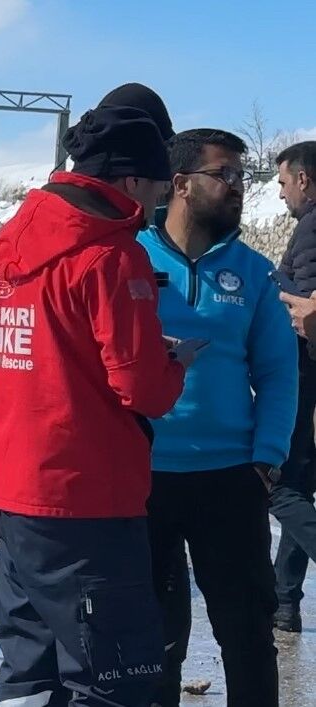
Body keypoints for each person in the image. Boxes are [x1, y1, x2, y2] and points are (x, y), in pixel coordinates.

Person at [0, 102, 191, 706]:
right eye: (153, 187)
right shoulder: (113, 255)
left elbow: (47, 348)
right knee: (114, 679)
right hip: (85, 498)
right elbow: (142, 389)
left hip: (11, 489)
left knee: (28, 669)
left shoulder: (4, 247)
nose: (154, 205)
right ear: (129, 181)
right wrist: (174, 364)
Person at [138, 129, 297, 706]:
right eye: (225, 175)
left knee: (247, 634)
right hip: (144, 477)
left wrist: (267, 459)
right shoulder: (128, 258)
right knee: (156, 639)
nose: (239, 189)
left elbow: (279, 372)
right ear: (180, 184)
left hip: (232, 478)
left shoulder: (253, 273)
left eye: (243, 178)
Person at [271, 141, 316, 632]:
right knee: (299, 485)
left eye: (284, 182)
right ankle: (284, 602)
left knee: (280, 489)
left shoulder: (313, 227)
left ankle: (283, 601)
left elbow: (306, 308)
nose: (281, 193)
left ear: (304, 179)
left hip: (305, 373)